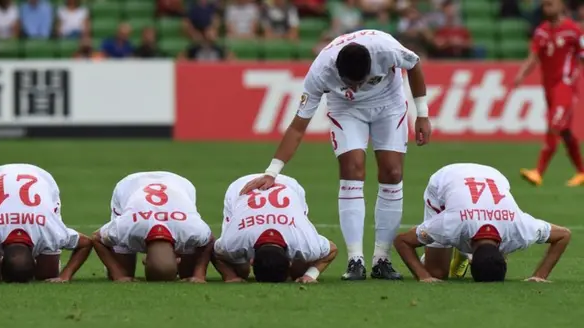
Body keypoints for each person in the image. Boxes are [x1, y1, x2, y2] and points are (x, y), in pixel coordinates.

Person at [240, 29, 431, 281]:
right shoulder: (320, 72)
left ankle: (382, 259)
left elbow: (415, 64)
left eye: (360, 82)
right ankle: (355, 260)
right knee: (352, 169)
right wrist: (272, 171)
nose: (355, 88)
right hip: (346, 109)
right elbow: (298, 127)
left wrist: (423, 113)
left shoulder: (386, 50)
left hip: (389, 104)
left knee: (392, 172)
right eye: (348, 83)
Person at [393, 163, 571, 283]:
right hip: (446, 179)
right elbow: (402, 241)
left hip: (493, 176)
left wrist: (540, 276)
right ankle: (456, 251)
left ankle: (460, 252)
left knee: (439, 270)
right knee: (436, 273)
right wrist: (424, 277)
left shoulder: (518, 228)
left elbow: (564, 235)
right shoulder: (450, 224)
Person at [0, 164, 92, 284]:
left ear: (1, 259)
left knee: (47, 274)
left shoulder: (51, 233)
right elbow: (86, 242)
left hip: (44, 180)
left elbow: (86, 243)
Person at [92, 172, 214, 282]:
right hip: (129, 186)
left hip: (178, 185)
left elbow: (209, 239)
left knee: (187, 275)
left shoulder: (191, 231)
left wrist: (198, 275)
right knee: (123, 274)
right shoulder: (126, 229)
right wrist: (118, 275)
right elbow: (97, 238)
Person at [214, 174, 338, 283]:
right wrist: (310, 275)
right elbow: (332, 249)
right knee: (242, 272)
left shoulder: (232, 242)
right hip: (240, 188)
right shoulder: (306, 243)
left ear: (252, 261)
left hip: (286, 185)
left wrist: (230, 277)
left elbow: (215, 251)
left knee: (241, 271)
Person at [515, 0, 584, 187]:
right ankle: (581, 172)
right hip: (549, 88)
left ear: (561, 6)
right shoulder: (541, 31)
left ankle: (538, 172)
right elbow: (534, 56)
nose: (547, 8)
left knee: (554, 125)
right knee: (565, 131)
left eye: (551, 4)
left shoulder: (573, 30)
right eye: (545, 5)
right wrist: (521, 74)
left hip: (565, 85)